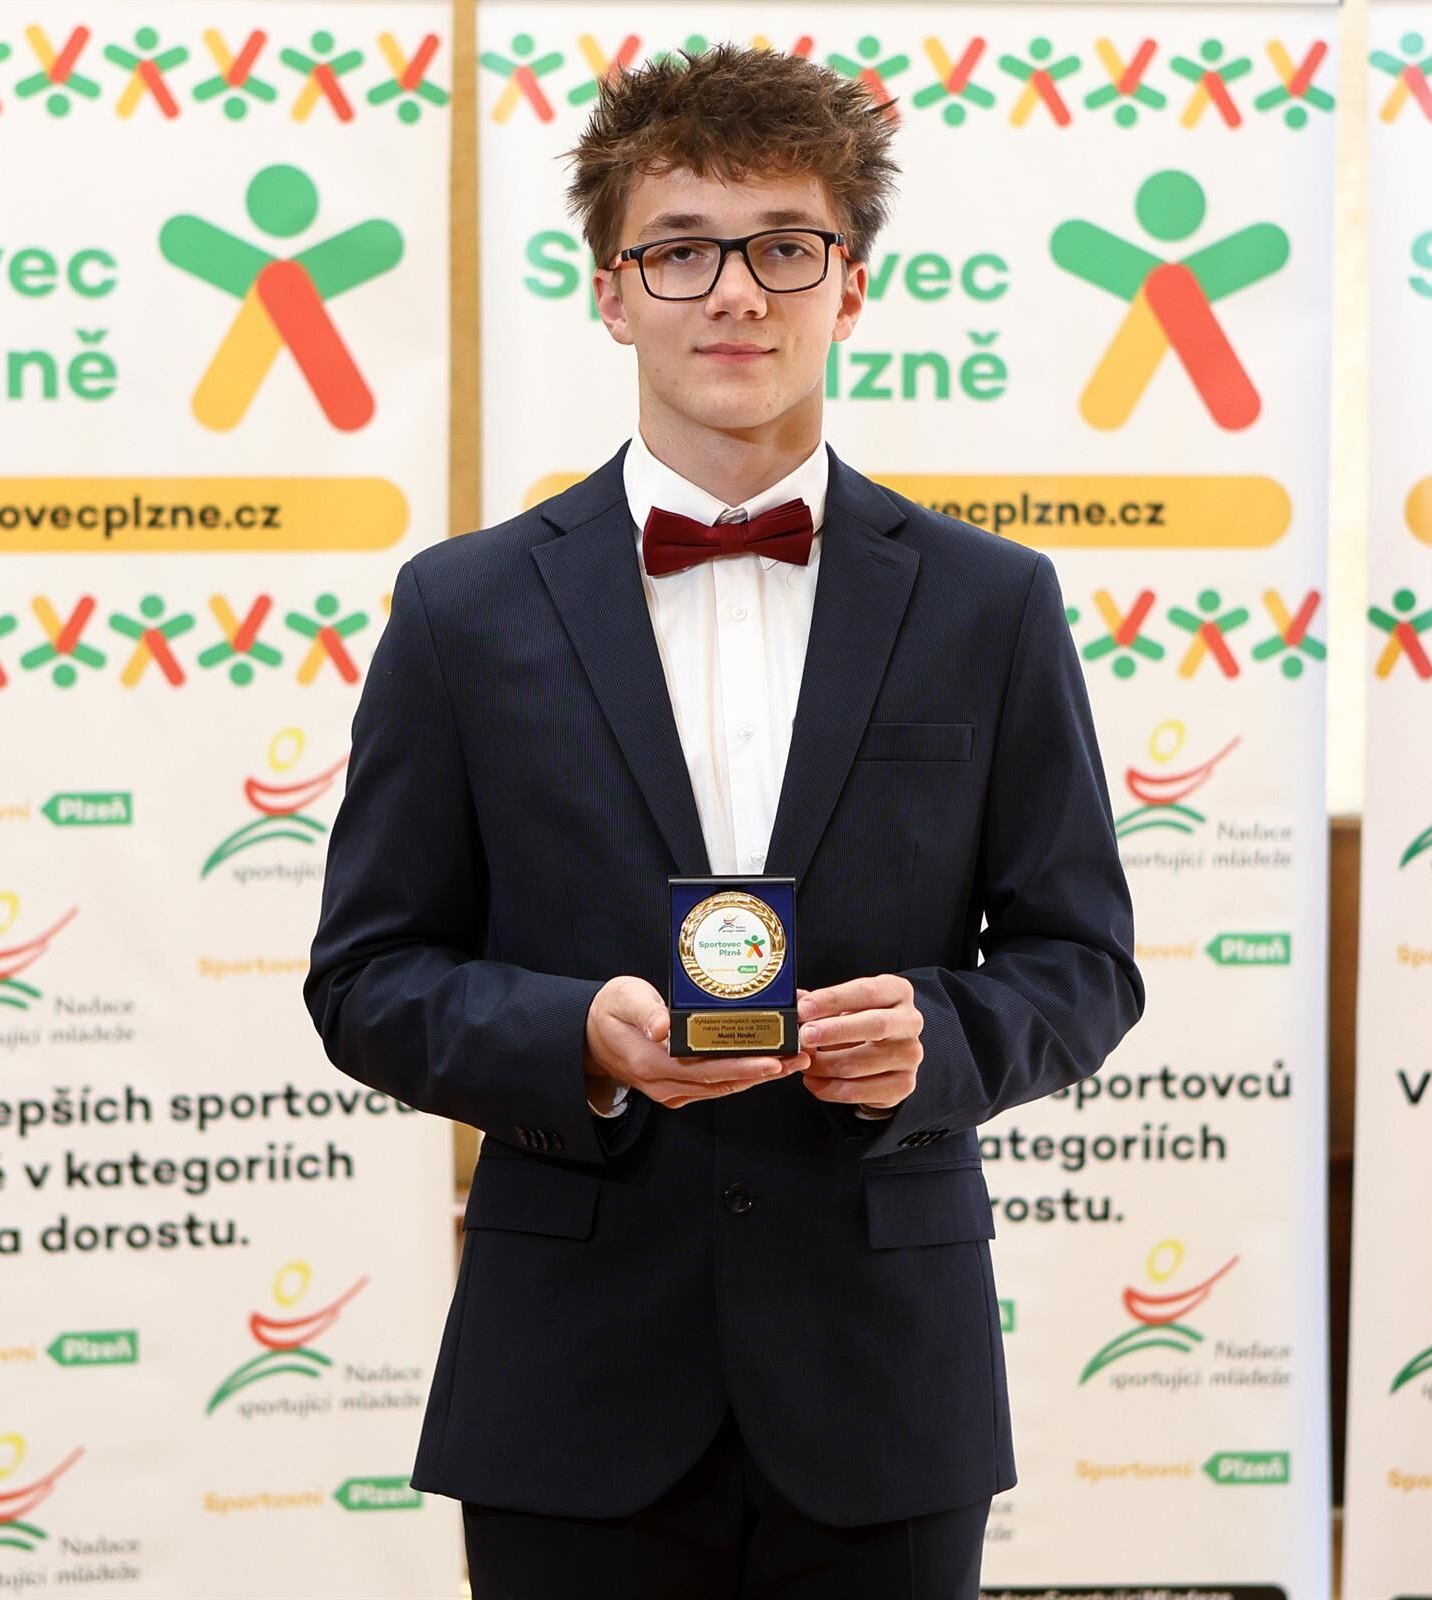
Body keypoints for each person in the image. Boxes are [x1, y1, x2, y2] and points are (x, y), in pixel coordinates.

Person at [304, 44, 1141, 1600]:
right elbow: (366, 977)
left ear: (851, 286)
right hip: (570, 1381)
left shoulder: (991, 603)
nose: (736, 293)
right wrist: (575, 1040)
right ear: (612, 294)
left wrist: (937, 1042)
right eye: (681, 250)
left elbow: (1082, 964)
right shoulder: (463, 608)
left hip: (883, 1378)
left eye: (784, 247)